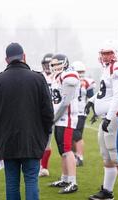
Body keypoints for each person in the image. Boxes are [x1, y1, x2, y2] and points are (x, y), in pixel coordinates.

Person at [0, 42, 54, 200]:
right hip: (32, 139)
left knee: (11, 182)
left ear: (6, 60)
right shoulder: (38, 78)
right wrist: (45, 135)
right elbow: (48, 113)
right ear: (24, 57)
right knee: (31, 180)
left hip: (7, 140)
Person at [87, 39, 118, 200]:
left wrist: (108, 117)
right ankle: (107, 192)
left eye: (109, 53)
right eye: (103, 53)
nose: (105, 56)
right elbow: (104, 93)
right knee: (107, 156)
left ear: (116, 54)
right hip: (109, 117)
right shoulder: (108, 69)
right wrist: (91, 101)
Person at [48, 54, 80, 194]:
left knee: (67, 150)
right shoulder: (56, 77)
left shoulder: (69, 75)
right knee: (63, 151)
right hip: (59, 117)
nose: (54, 67)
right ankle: (65, 178)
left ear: (65, 63)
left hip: (66, 117)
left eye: (57, 64)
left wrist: (54, 118)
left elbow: (66, 102)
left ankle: (73, 182)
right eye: (53, 65)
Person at [71, 61, 96, 167]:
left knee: (77, 135)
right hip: (74, 111)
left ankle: (80, 157)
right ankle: (73, 155)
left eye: (82, 72)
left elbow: (91, 98)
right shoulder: (80, 81)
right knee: (72, 136)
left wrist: (95, 112)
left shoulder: (81, 82)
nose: (80, 74)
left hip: (80, 112)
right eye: (79, 72)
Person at [39, 53, 54, 177]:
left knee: (48, 142)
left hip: (54, 113)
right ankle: (39, 166)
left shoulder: (58, 77)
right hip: (39, 112)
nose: (47, 67)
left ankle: (44, 167)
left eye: (50, 64)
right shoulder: (39, 76)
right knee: (38, 140)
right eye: (46, 64)